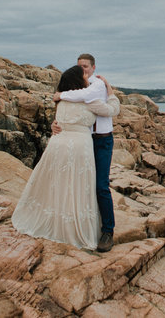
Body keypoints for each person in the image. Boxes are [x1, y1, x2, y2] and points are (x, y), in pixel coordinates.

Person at [11, 65, 119, 250]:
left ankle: (62, 222)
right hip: (79, 147)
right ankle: (91, 228)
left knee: (61, 184)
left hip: (59, 146)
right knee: (81, 185)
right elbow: (112, 110)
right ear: (79, 80)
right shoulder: (88, 99)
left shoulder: (61, 100)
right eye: (84, 74)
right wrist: (110, 91)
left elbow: (63, 118)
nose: (87, 76)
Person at [52, 53, 118, 252]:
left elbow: (112, 109)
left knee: (101, 186)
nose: (84, 70)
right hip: (84, 142)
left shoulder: (97, 86)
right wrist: (55, 124)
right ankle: (83, 224)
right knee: (82, 184)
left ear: (94, 68)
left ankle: (108, 231)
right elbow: (66, 115)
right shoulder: (76, 92)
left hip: (103, 140)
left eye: (86, 67)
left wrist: (111, 92)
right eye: (80, 67)